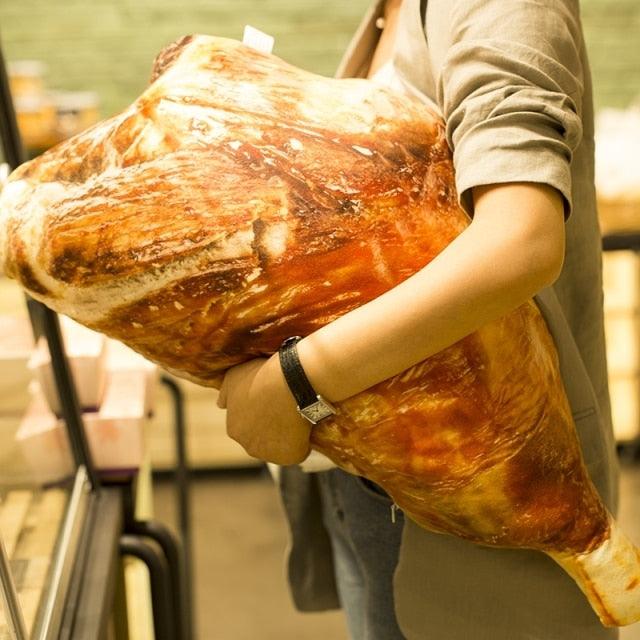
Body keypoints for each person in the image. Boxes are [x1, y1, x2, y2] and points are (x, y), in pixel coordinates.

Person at [217, 0, 620, 638]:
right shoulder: (392, 10)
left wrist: (297, 383)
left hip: (480, 487)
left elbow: (521, 239)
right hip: (377, 474)